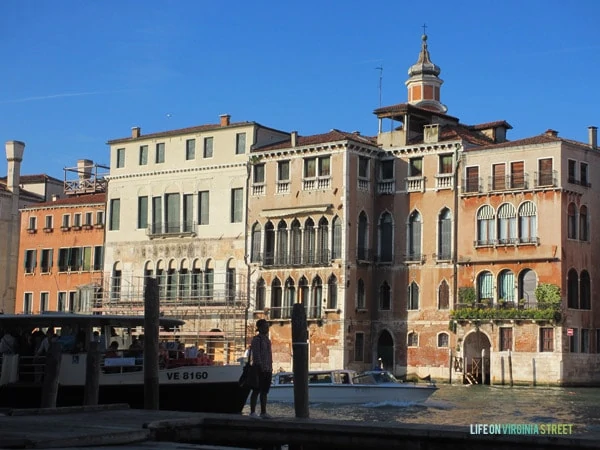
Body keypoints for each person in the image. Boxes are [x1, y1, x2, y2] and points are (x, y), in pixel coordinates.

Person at [249, 319, 273, 418]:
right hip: (259, 369)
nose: (267, 328)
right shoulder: (256, 339)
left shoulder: (267, 340)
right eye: (265, 326)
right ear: (260, 328)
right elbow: (256, 354)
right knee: (256, 390)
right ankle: (252, 412)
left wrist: (270, 368)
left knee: (264, 391)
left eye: (267, 326)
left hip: (268, 369)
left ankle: (263, 412)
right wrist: (259, 367)